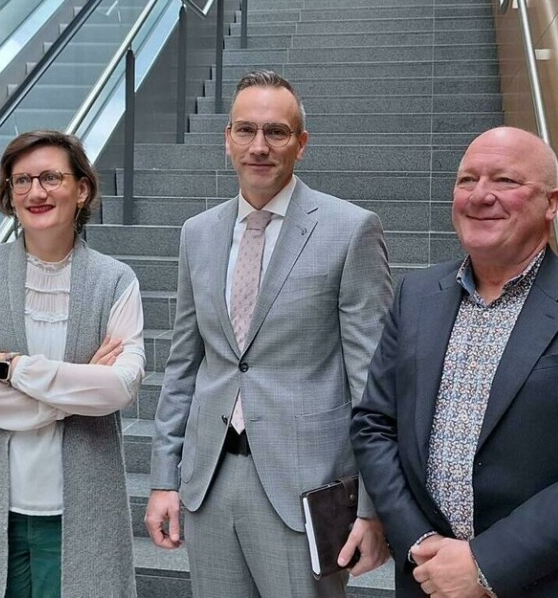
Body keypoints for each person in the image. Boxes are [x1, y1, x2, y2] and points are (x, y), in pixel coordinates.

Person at [350, 126, 558, 598]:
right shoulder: (415, 295)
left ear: (552, 203)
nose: (480, 196)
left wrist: (482, 564)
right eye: (467, 180)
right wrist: (419, 540)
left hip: (552, 582)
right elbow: (375, 424)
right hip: (429, 579)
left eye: (505, 181)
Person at [145, 70, 393, 598]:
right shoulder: (197, 233)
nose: (259, 146)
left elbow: (372, 381)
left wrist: (373, 507)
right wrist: (165, 477)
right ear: (227, 140)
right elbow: (183, 365)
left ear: (301, 144)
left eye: (276, 132)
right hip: (209, 482)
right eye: (246, 130)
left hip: (304, 485)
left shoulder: (350, 230)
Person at [0, 130, 145, 598]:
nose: (36, 192)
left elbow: (120, 387)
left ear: (82, 189)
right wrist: (73, 396)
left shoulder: (116, 281)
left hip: (78, 511)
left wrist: (11, 368)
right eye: (22, 181)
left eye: (50, 178)